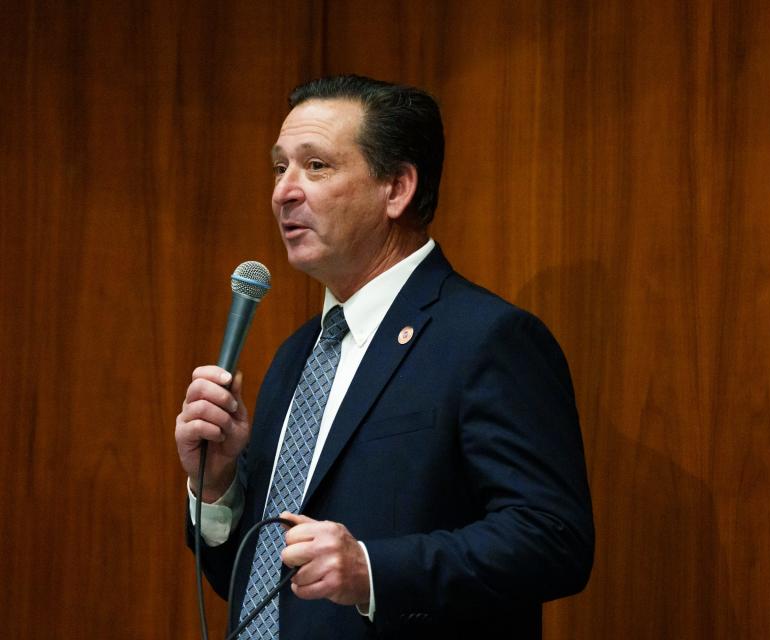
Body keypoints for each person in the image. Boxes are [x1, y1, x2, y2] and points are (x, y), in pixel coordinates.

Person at [175, 74, 594, 639]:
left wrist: (373, 571)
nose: (284, 191)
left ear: (396, 188)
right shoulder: (296, 356)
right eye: (280, 168)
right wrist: (218, 485)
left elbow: (553, 539)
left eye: (316, 166)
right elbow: (254, 587)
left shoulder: (486, 339)